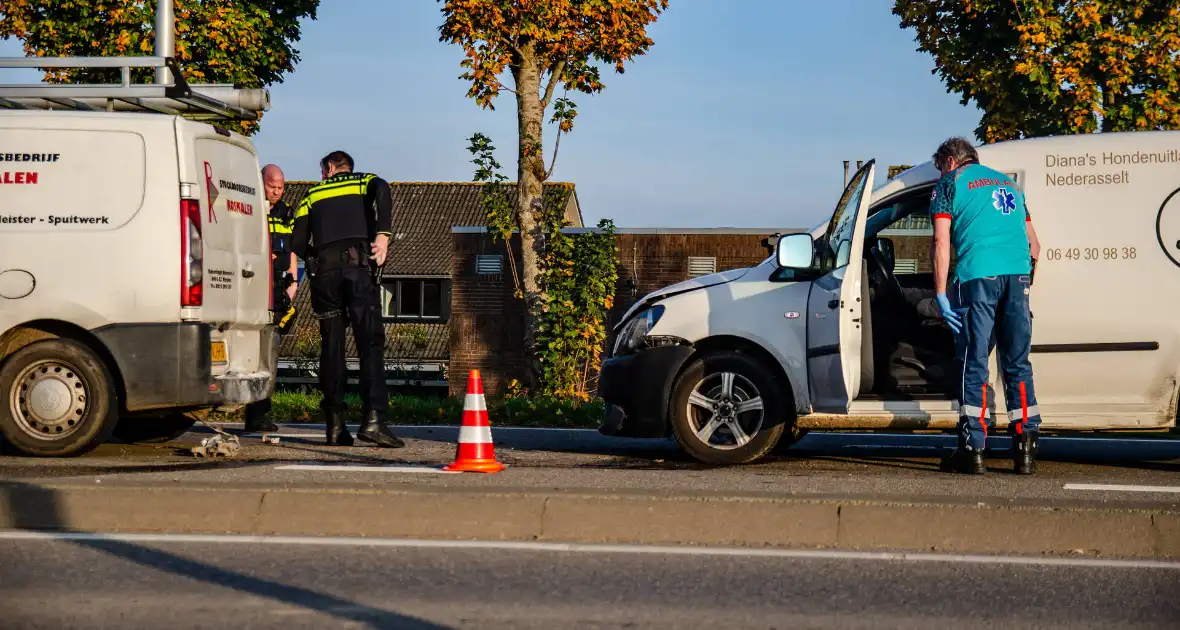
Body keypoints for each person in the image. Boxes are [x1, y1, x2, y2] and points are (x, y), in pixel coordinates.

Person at [929, 136, 1042, 475]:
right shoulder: (1010, 184)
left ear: (950, 161)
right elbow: (1035, 246)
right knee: (1017, 363)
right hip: (1017, 276)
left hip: (978, 277)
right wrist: (1022, 287)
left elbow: (940, 240)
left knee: (974, 361)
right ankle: (1024, 452)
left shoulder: (950, 184)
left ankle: (972, 449)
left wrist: (939, 293)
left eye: (939, 169)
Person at [291, 150, 404, 448]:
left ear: (329, 167)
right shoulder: (363, 181)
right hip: (357, 271)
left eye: (322, 171)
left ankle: (335, 426)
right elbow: (382, 187)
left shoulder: (311, 194)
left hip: (325, 278)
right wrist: (383, 235)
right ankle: (374, 420)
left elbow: (298, 242)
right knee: (370, 343)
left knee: (332, 349)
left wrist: (316, 260)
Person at [242, 163, 298, 434]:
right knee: (253, 352)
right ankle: (250, 410)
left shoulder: (287, 213)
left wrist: (293, 284)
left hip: (277, 291)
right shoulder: (248, 208)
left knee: (270, 354)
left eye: (280, 187)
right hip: (252, 289)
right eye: (271, 186)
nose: (276, 192)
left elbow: (293, 252)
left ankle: (259, 413)